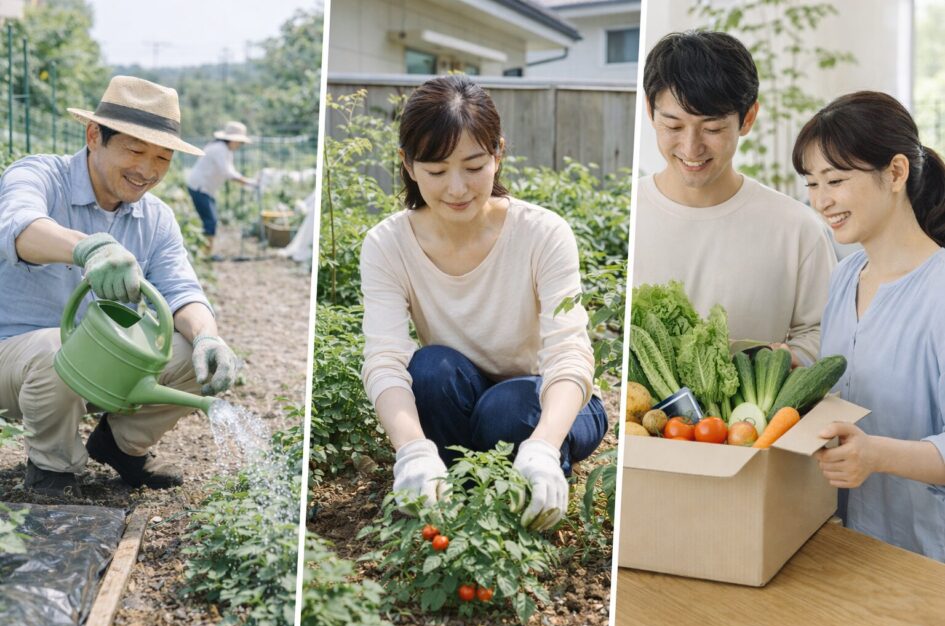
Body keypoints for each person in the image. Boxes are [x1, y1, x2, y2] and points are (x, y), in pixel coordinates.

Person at [359, 75, 608, 531]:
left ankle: (527, 489)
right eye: (436, 171)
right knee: (428, 369)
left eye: (474, 166)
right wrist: (412, 450)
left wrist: (544, 447)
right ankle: (453, 495)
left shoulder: (542, 234)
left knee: (507, 408)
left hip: (547, 404)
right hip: (460, 397)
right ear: (408, 165)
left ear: (498, 154)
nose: (457, 188)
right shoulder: (387, 244)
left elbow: (569, 354)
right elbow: (385, 360)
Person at [0, 76, 241, 499]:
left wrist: (208, 337)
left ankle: (120, 445)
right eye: (134, 150)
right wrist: (86, 249)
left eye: (162, 158)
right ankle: (52, 469)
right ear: (94, 136)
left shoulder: (156, 218)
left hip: (98, 366)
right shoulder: (39, 175)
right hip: (15, 361)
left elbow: (181, 290)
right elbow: (18, 229)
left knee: (191, 355)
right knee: (60, 346)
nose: (147, 171)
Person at [793, 91, 945, 562]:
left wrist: (876, 455)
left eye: (835, 180)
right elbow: (849, 380)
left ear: (896, 173)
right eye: (812, 184)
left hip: (923, 561)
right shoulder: (844, 277)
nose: (822, 201)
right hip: (843, 544)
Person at [633, 30, 837, 367]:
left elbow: (825, 332)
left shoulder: (796, 228)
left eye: (712, 129)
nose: (691, 148)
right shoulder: (633, 210)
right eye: (673, 126)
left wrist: (784, 361)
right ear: (650, 111)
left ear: (748, 118)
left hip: (750, 419)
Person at [186, 121, 256, 260]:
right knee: (210, 221)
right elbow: (228, 173)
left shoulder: (224, 150)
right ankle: (205, 255)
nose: (240, 145)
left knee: (210, 220)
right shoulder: (219, 149)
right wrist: (248, 182)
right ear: (232, 139)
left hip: (206, 189)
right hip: (200, 187)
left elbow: (230, 171)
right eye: (239, 142)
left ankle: (205, 253)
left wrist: (245, 181)